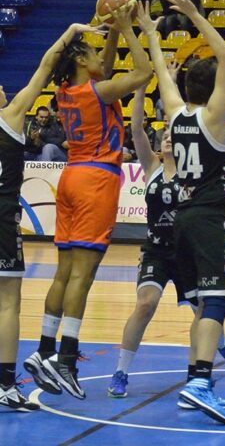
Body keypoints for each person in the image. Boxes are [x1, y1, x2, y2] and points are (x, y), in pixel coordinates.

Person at [23, 3, 152, 400]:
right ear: (80, 59)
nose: (100, 56)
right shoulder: (99, 89)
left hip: (71, 177)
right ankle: (64, 358)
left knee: (63, 273)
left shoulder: (68, 90)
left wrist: (110, 31)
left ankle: (44, 350)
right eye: (93, 52)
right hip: (97, 179)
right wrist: (130, 27)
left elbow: (106, 69)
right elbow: (144, 72)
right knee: (84, 274)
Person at [107, 86, 225, 401]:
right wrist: (141, 89)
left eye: (172, 135)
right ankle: (121, 372)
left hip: (188, 248)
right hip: (157, 250)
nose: (168, 138)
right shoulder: (151, 168)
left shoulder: (193, 169)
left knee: (204, 310)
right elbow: (137, 127)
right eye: (164, 136)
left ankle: (210, 358)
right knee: (145, 304)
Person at [146, 0, 225, 424]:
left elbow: (163, 70)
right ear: (213, 88)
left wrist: (148, 31)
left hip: (180, 218)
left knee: (203, 305)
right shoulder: (213, 118)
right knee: (217, 302)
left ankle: (196, 380)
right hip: (208, 215)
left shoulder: (174, 114)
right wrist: (197, 17)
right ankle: (200, 382)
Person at [0, 22, 97, 412]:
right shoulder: (10, 117)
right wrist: (69, 33)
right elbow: (45, 66)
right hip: (3, 223)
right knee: (8, 303)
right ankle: (5, 384)